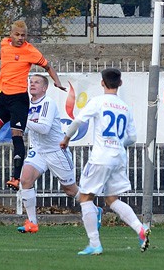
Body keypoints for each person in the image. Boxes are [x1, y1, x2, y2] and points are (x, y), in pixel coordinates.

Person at [0, 20, 66, 190]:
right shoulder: (5, 44)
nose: (20, 38)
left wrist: (56, 81)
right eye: (17, 35)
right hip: (3, 98)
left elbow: (48, 67)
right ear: (11, 35)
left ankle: (16, 178)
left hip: (19, 99)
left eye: (23, 35)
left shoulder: (30, 51)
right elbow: (4, 54)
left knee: (16, 135)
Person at [60, 68, 149, 255]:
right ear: (120, 83)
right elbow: (132, 137)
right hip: (118, 157)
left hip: (101, 157)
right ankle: (140, 228)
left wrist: (66, 138)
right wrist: (118, 142)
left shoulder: (98, 102)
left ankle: (94, 244)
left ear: (102, 83)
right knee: (111, 199)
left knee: (85, 197)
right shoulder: (125, 107)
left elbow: (77, 121)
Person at [16, 74, 89, 234]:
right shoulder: (27, 104)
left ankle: (93, 209)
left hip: (56, 151)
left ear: (44, 88)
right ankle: (32, 223)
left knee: (70, 190)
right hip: (38, 150)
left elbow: (44, 128)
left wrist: (22, 119)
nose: (32, 84)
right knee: (25, 180)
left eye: (37, 82)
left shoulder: (48, 103)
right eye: (31, 82)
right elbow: (27, 126)